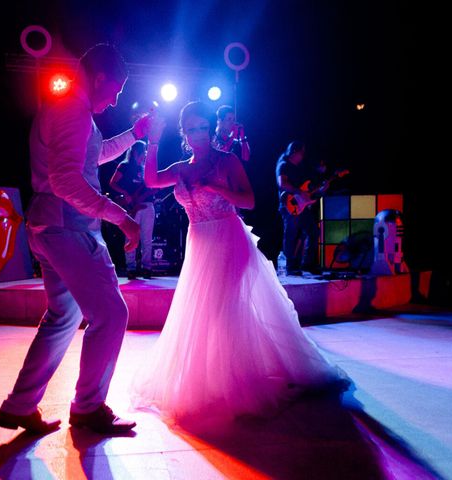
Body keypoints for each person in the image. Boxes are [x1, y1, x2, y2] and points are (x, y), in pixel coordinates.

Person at [130, 101, 348, 425]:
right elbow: (150, 180)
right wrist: (154, 139)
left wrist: (214, 186)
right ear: (184, 132)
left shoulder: (226, 161)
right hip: (199, 245)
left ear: (210, 128)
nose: (198, 135)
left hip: (229, 239)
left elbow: (249, 200)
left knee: (223, 311)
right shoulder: (180, 167)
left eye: (203, 127)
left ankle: (236, 382)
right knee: (205, 314)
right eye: (191, 129)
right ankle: (214, 379)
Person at [0, 43, 153, 435]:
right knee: (112, 314)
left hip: (49, 226)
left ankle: (19, 405)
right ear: (99, 77)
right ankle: (88, 407)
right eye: (115, 88)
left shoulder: (67, 108)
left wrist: (134, 136)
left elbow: (89, 157)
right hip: (69, 227)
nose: (116, 98)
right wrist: (122, 219)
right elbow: (66, 180)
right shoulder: (72, 109)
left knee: (63, 316)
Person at [109, 140, 157, 279]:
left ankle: (147, 268)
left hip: (147, 205)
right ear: (136, 151)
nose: (145, 154)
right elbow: (112, 183)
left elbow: (151, 186)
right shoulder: (124, 166)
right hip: (131, 206)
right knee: (130, 236)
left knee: (147, 238)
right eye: (143, 151)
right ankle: (131, 268)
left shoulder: (144, 167)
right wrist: (126, 194)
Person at [276, 141, 322, 276]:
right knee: (291, 235)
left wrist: (311, 195)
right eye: (301, 152)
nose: (303, 155)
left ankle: (308, 264)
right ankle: (289, 267)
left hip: (301, 205)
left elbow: (306, 187)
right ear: (294, 152)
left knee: (313, 231)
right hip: (289, 205)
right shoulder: (283, 165)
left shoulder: (299, 168)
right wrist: (299, 192)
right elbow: (282, 184)